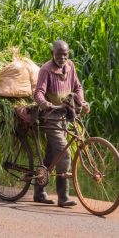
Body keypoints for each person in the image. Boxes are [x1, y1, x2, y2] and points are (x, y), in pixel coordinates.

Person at [33, 40, 90, 207]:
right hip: (50, 117)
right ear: (53, 54)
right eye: (59, 54)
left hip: (65, 114)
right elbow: (39, 93)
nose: (62, 58)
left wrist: (82, 101)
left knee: (52, 155)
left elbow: (77, 87)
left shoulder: (70, 66)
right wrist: (46, 104)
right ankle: (63, 197)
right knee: (64, 154)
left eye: (65, 55)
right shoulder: (46, 70)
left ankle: (38, 193)